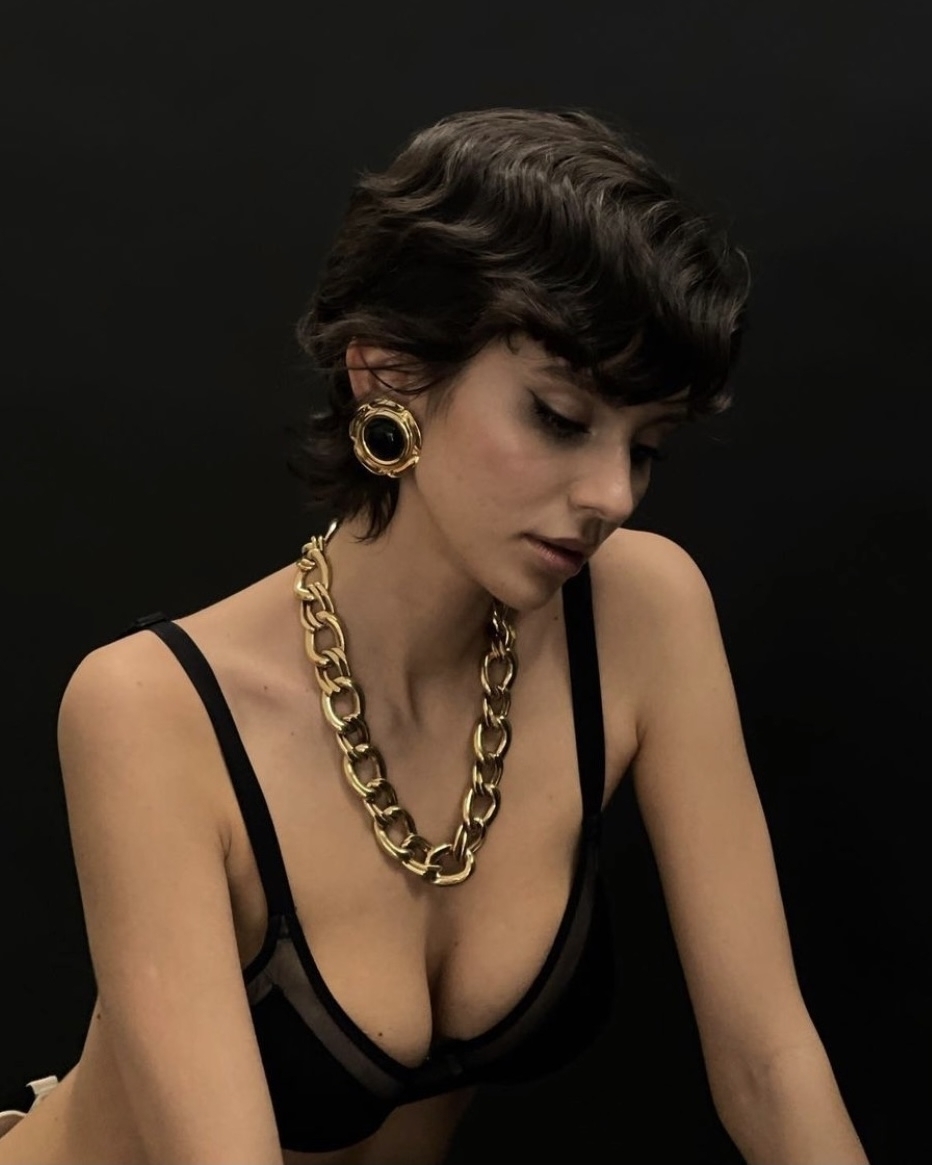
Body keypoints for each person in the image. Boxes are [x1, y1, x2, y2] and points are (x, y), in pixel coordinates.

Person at [0, 107, 869, 1165]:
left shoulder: (640, 613)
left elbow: (768, 1066)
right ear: (387, 376)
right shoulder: (153, 710)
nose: (612, 494)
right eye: (559, 417)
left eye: (645, 447)